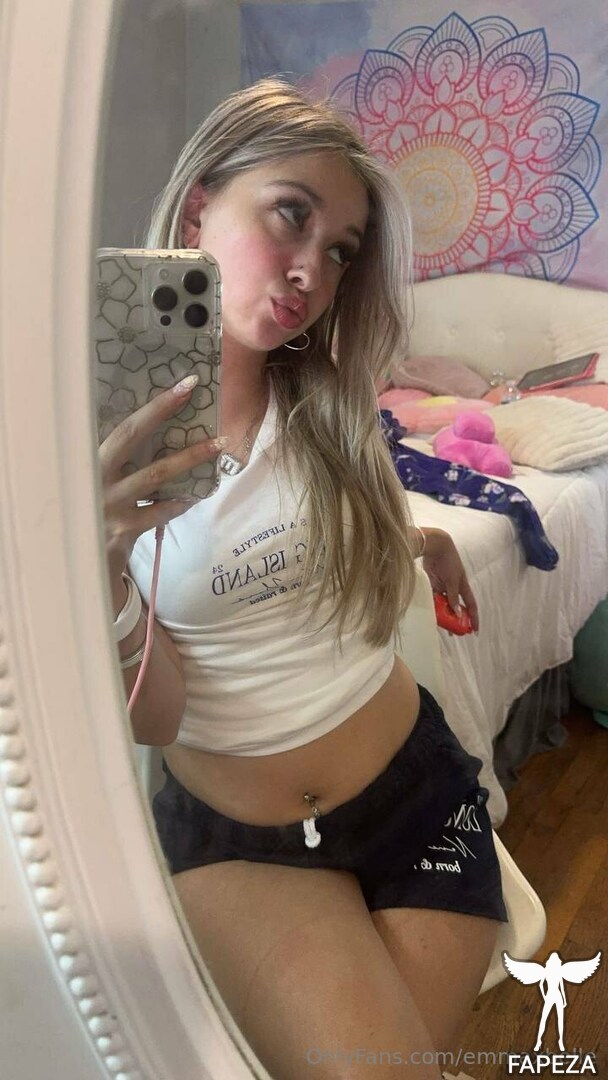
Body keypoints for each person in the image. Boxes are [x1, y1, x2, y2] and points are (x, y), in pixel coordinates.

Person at [100, 78, 507, 1080]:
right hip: (246, 841)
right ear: (198, 210)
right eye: (290, 215)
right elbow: (157, 716)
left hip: (421, 788)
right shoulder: (101, 451)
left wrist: (422, 538)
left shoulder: (328, 401)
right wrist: (103, 559)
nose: (309, 273)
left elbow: (323, 541)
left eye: (338, 251)